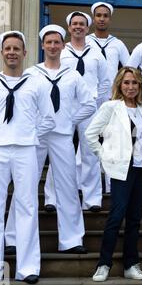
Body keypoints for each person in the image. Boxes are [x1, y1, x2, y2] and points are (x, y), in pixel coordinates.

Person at [0, 31, 55, 285]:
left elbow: (49, 119)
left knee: (27, 206)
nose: (12, 52)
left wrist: (29, 135)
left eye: (17, 48)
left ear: (25, 53)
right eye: (8, 48)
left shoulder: (36, 83)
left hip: (26, 151)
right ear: (1, 52)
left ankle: (28, 267)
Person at [4, 25, 96, 255]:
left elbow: (89, 104)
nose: (53, 46)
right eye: (49, 42)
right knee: (25, 185)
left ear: (63, 46)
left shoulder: (73, 75)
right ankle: (14, 238)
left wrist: (69, 120)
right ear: (42, 45)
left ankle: (72, 239)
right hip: (35, 137)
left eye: (57, 42)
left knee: (67, 187)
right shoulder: (32, 74)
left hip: (62, 136)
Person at [86, 67, 142, 282]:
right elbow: (90, 134)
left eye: (135, 83)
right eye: (126, 83)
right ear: (119, 85)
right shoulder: (111, 107)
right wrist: (104, 156)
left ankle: (131, 264)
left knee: (134, 218)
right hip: (120, 170)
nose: (131, 87)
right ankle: (103, 264)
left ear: (140, 85)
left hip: (141, 169)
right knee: (116, 216)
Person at [44, 11, 110, 213]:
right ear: (69, 28)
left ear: (87, 28)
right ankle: (52, 198)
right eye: (74, 24)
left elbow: (105, 82)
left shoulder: (96, 54)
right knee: (59, 150)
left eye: (82, 24)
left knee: (90, 152)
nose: (78, 27)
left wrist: (96, 104)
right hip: (63, 108)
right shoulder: (62, 52)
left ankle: (91, 199)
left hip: (89, 108)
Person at [87, 1, 130, 194]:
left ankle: (112, 184)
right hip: (89, 99)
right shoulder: (86, 41)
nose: (102, 19)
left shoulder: (117, 44)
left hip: (112, 98)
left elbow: (129, 68)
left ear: (110, 19)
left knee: (113, 140)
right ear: (93, 18)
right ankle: (88, 186)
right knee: (89, 142)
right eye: (98, 15)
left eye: (105, 15)